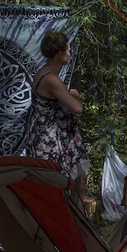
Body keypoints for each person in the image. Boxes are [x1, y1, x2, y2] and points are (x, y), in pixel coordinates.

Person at [22, 30, 91, 205]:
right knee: (54, 187)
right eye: (68, 50)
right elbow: (77, 108)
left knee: (78, 180)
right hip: (49, 142)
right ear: (59, 54)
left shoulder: (43, 74)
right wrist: (74, 94)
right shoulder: (51, 79)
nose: (70, 53)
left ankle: (75, 222)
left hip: (53, 138)